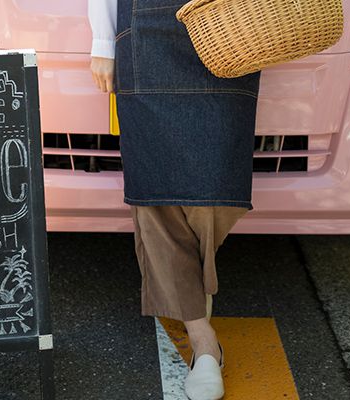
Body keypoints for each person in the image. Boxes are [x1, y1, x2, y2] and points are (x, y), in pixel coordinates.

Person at [88, 1, 262, 399]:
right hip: (145, 28)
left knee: (217, 187)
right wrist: (103, 41)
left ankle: (188, 286)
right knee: (156, 193)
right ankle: (203, 342)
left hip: (231, 24)